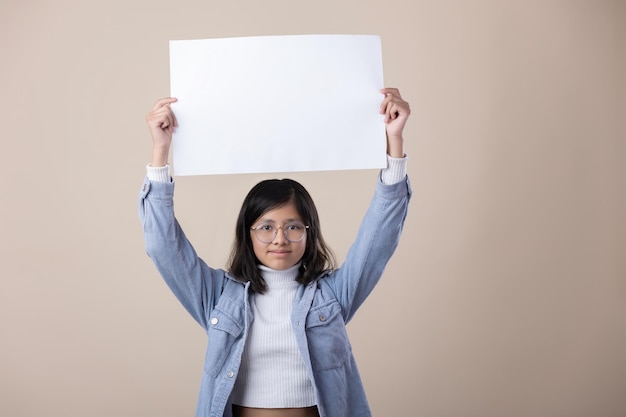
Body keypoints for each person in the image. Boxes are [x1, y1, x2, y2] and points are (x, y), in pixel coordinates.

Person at [139, 88, 412, 417]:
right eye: (266, 227)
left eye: (293, 226)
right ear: (248, 234)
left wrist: (394, 143)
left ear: (309, 234)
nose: (280, 238)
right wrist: (160, 151)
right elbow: (162, 246)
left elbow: (379, 239)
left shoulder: (332, 296)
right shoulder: (218, 296)